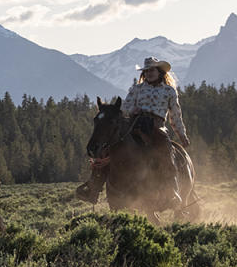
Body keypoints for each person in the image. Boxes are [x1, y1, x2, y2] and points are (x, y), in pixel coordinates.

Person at [75, 56, 191, 207]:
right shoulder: (137, 89)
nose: (149, 73)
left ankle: (171, 190)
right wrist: (131, 110)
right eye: (147, 70)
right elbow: (125, 108)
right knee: (109, 147)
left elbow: (175, 115)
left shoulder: (169, 91)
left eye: (152, 70)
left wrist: (182, 134)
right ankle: (93, 187)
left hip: (156, 126)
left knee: (165, 150)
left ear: (159, 72)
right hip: (134, 123)